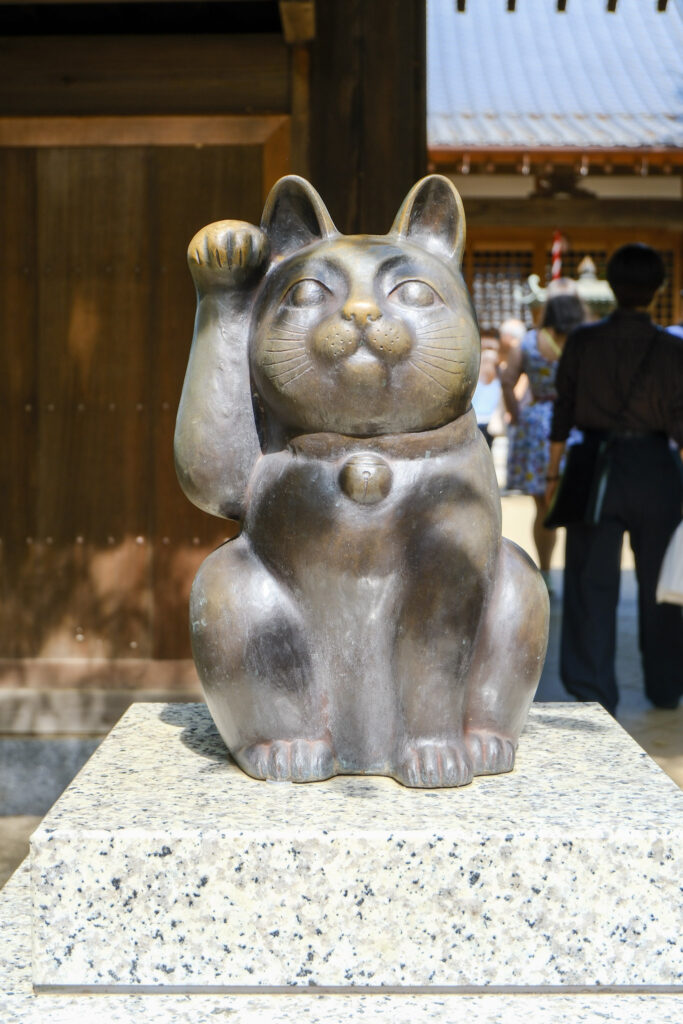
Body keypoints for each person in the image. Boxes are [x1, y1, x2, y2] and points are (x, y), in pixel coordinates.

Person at [546, 243, 683, 714]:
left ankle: (592, 688)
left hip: (595, 466)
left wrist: (552, 474)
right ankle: (666, 685)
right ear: (658, 288)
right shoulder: (673, 349)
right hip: (656, 468)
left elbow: (563, 412)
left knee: (590, 582)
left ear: (610, 284)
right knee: (663, 582)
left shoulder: (583, 342)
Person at [501, 295, 586, 588]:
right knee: (578, 505)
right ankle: (577, 575)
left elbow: (507, 380)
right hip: (576, 423)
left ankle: (546, 572)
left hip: (536, 425)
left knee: (542, 508)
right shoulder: (581, 340)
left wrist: (517, 414)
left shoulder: (528, 341)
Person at [472, 328, 503, 447]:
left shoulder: (503, 371)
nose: (488, 354)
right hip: (473, 422)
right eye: (484, 348)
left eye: (492, 349)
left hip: (492, 424)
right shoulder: (471, 371)